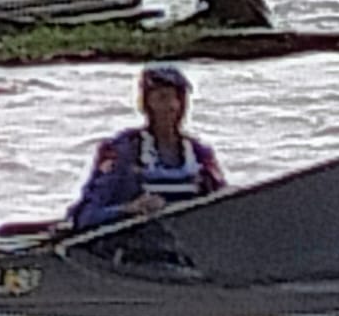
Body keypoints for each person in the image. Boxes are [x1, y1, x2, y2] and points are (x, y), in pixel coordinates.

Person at [66, 64, 226, 233]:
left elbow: (224, 205)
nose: (172, 106)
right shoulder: (122, 153)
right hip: (138, 249)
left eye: (178, 98)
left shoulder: (200, 155)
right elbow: (85, 217)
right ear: (147, 103)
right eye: (163, 98)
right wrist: (130, 209)